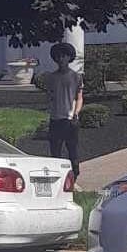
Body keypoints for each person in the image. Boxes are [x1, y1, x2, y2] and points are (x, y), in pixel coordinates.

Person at [46, 42, 83, 180]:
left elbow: (79, 97)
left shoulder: (76, 76)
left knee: (72, 150)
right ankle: (58, 179)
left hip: (69, 119)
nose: (61, 59)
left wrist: (76, 113)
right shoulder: (51, 77)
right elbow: (49, 96)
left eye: (64, 56)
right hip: (55, 119)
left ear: (69, 57)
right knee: (55, 152)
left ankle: (74, 177)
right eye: (58, 56)